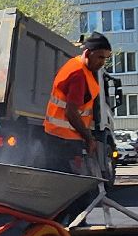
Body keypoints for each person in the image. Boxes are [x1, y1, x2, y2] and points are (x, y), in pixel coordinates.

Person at [40, 32, 113, 175]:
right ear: (87, 53)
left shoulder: (75, 65)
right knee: (69, 184)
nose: (102, 62)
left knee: (63, 183)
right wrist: (89, 138)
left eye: (105, 58)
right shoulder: (78, 75)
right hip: (63, 141)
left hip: (58, 137)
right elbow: (71, 112)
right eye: (99, 57)